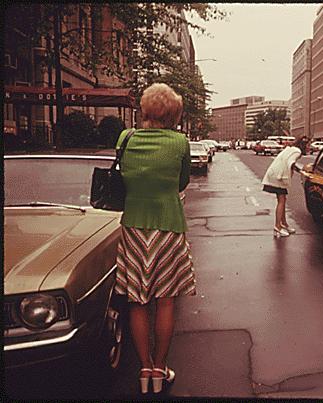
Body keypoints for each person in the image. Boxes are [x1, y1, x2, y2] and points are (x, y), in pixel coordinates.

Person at [115, 83, 196, 394]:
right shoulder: (180, 142)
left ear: (144, 109)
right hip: (169, 227)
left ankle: (144, 369)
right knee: (165, 301)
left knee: (137, 300)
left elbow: (124, 173)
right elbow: (183, 180)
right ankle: (160, 371)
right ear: (173, 114)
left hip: (134, 227)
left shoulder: (125, 138)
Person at [262, 136, 310, 237]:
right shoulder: (297, 152)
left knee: (282, 199)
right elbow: (291, 163)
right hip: (278, 176)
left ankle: (284, 224)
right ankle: (277, 227)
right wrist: (301, 171)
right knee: (281, 201)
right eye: (308, 145)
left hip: (275, 174)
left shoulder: (292, 148)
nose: (309, 147)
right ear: (304, 145)